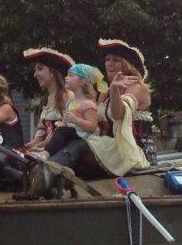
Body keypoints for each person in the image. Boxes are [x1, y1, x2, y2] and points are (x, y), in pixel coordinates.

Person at [85, 39, 156, 171]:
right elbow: (96, 125)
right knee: (74, 141)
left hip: (135, 153)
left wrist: (114, 89)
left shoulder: (137, 88)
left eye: (116, 60)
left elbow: (118, 115)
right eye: (107, 59)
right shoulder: (105, 93)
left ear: (127, 65)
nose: (109, 64)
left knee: (80, 148)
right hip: (110, 150)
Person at [23, 48, 74, 154]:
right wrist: (27, 146)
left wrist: (40, 146)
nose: (35, 74)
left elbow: (67, 130)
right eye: (35, 70)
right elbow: (40, 135)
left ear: (52, 73)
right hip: (45, 150)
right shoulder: (45, 99)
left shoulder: (67, 96)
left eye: (40, 69)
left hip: (61, 152)